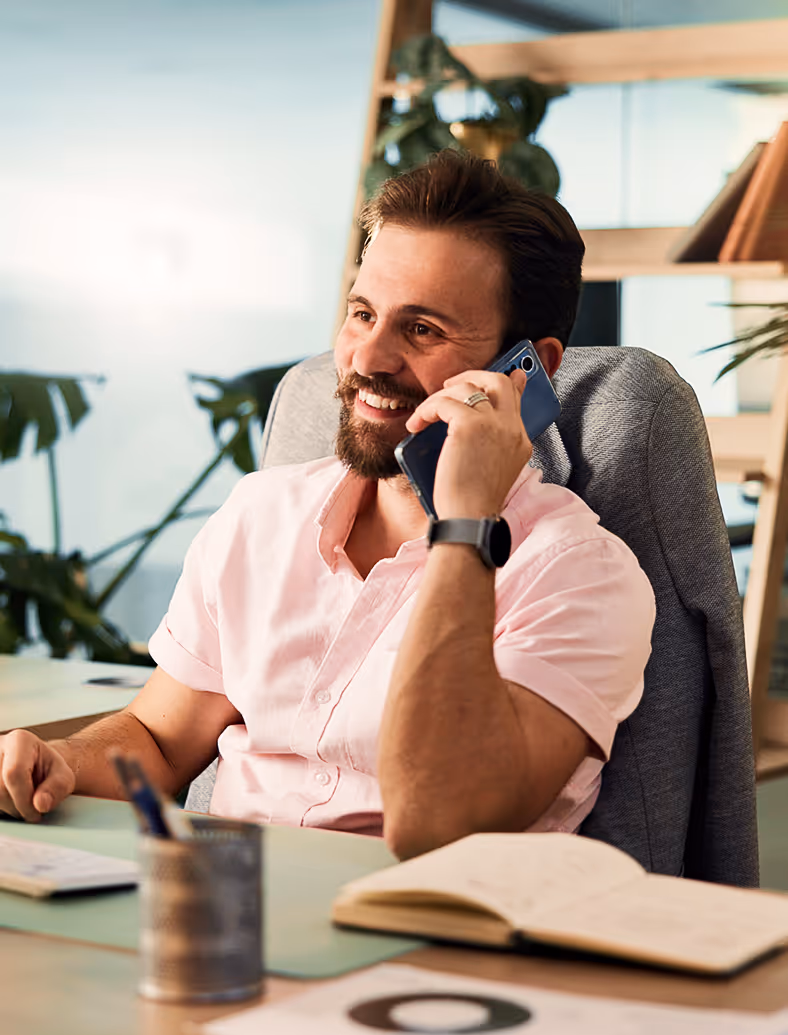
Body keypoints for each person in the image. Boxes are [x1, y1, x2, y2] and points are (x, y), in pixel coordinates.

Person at [0, 151, 655, 859]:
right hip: (228, 908)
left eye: (422, 330)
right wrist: (64, 763)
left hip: (422, 946)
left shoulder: (582, 575)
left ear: (531, 371)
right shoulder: (263, 513)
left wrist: (465, 524)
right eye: (362, 314)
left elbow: (440, 823)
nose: (366, 359)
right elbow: (158, 741)